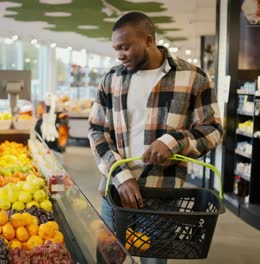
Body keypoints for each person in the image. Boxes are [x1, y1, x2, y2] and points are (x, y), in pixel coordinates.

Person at [88, 12, 223, 264]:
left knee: (154, 260)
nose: (119, 55)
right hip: (116, 191)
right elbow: (97, 131)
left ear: (148, 40)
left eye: (125, 47)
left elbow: (213, 129)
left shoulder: (194, 78)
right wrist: (122, 176)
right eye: (116, 49)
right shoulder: (111, 79)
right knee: (107, 258)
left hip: (163, 193)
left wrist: (173, 142)